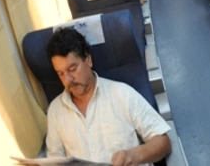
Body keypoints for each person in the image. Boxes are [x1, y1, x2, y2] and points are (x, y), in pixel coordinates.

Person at [46, 28, 171, 165]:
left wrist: (134, 155)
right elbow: (54, 160)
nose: (68, 80)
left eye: (72, 69)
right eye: (61, 73)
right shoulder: (56, 111)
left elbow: (163, 142)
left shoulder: (121, 94)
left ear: (88, 60)